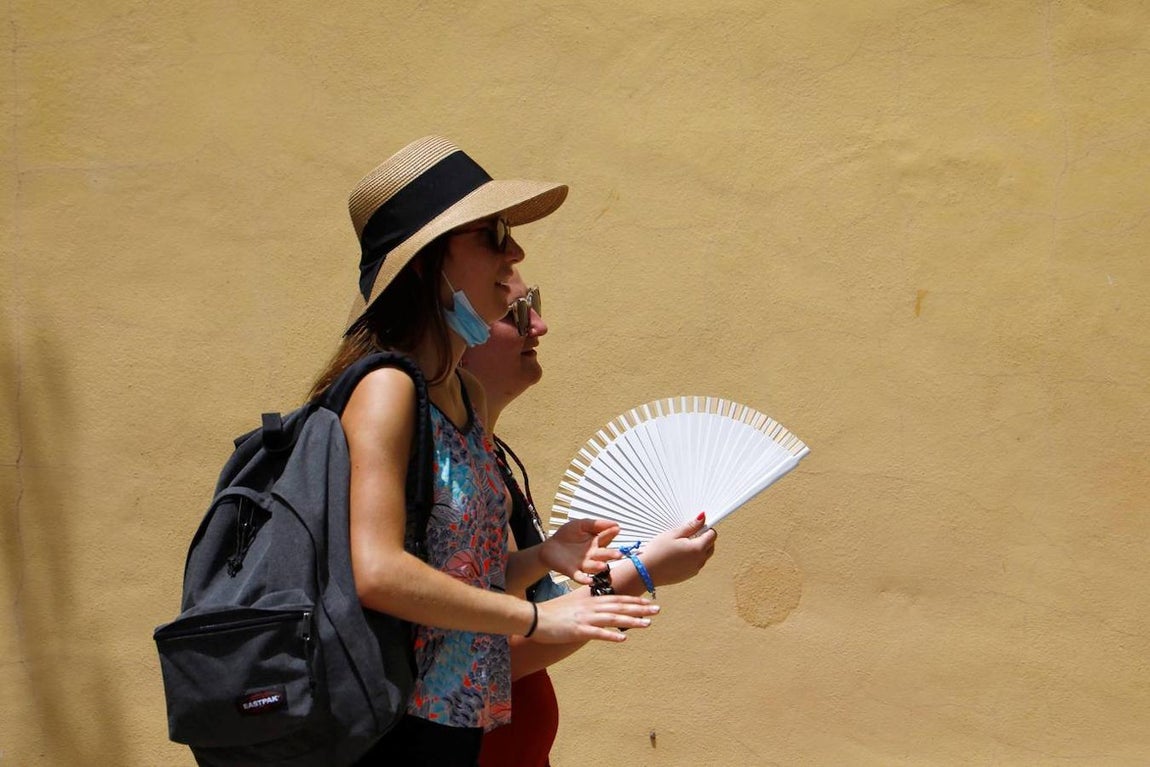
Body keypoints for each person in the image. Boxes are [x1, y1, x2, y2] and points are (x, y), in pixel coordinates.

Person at [309, 136, 661, 767]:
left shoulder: (462, 397)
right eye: (491, 235)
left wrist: (541, 558)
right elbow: (378, 572)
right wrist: (531, 620)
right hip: (394, 739)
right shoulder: (388, 390)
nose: (516, 251)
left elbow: (450, 580)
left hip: (454, 740)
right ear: (424, 263)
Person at [462, 274, 720, 767]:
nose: (539, 325)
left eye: (533, 303)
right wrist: (638, 574)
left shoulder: (487, 458)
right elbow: (482, 656)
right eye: (514, 312)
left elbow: (504, 608)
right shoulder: (448, 475)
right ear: (454, 334)